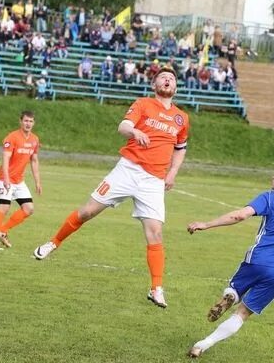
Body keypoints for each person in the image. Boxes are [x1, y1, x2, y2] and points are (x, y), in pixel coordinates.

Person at [32, 67, 190, 309]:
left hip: (153, 181)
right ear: (154, 85)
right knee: (87, 212)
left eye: (171, 78)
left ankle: (156, 288)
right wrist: (135, 131)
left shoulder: (182, 118)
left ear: (176, 87)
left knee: (155, 233)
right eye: (162, 77)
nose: (167, 80)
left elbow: (180, 148)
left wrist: (173, 172)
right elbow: (123, 126)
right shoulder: (143, 104)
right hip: (127, 170)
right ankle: (53, 243)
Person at [186, 159, 274, 358]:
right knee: (243, 314)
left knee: (235, 288)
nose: (273, 176)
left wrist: (207, 224)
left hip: (258, 260)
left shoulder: (270, 198)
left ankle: (231, 295)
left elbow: (239, 216)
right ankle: (202, 345)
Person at [0, 111, 42, 251]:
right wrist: (6, 178)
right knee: (3, 208)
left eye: (31, 121)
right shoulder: (12, 137)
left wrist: (37, 182)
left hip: (19, 181)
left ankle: (2, 231)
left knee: (29, 209)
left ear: (33, 123)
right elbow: (5, 159)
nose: (28, 123)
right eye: (26, 121)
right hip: (6, 178)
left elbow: (34, 161)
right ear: (20, 121)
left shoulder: (34, 139)